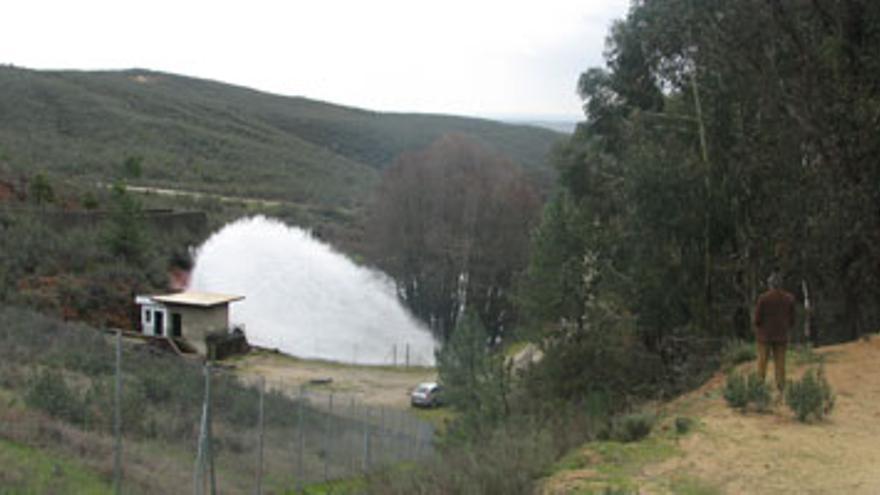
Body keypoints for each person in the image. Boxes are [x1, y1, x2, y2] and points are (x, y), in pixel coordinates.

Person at [754, 272, 796, 393]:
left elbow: (757, 319)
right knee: (780, 364)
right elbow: (792, 319)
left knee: (762, 363)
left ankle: (759, 388)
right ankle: (781, 388)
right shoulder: (789, 298)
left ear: (770, 284)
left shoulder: (763, 298)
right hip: (781, 336)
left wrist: (758, 327)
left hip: (764, 337)